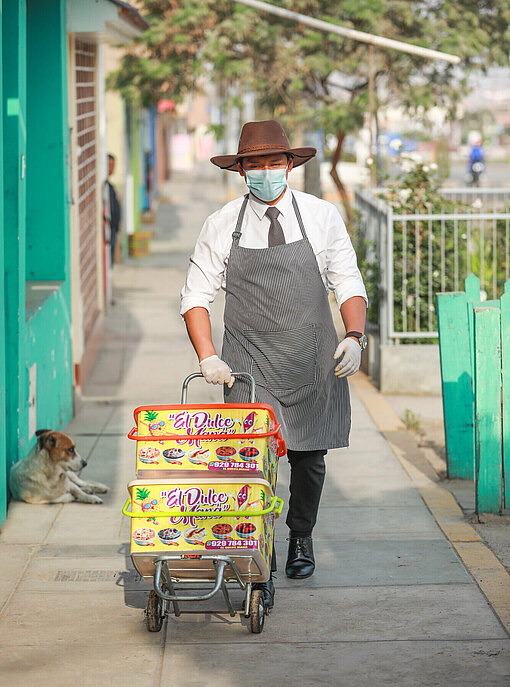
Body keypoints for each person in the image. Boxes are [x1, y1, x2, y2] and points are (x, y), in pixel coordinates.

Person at [180, 120, 367, 608]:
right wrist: (208, 357)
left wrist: (354, 337)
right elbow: (195, 297)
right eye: (255, 164)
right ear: (241, 171)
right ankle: (253, 550)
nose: (266, 172)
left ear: (289, 164)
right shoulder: (221, 224)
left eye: (273, 162)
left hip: (311, 357)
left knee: (309, 459)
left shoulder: (322, 216)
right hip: (247, 361)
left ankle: (300, 535)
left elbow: (347, 282)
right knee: (248, 462)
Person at [103, 154, 122, 267]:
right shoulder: (105, 188)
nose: (111, 168)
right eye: (109, 165)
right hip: (108, 229)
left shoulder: (110, 187)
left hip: (114, 228)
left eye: (113, 165)